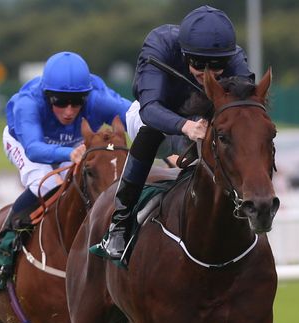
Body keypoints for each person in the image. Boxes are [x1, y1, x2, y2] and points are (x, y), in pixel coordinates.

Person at [96, 5, 255, 260]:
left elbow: (245, 109)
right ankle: (120, 223)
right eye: (199, 64)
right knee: (151, 131)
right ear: (184, 54)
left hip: (200, 122)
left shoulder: (235, 58)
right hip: (154, 117)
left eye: (216, 66)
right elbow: (151, 109)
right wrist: (187, 127)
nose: (207, 74)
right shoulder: (160, 44)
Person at [0, 51, 131, 286]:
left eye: (77, 101)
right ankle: (1, 248)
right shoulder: (28, 103)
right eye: (60, 101)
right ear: (47, 96)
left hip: (73, 144)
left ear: (86, 97)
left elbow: (138, 116)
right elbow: (34, 149)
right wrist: (67, 154)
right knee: (48, 183)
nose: (69, 110)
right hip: (27, 142)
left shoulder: (99, 98)